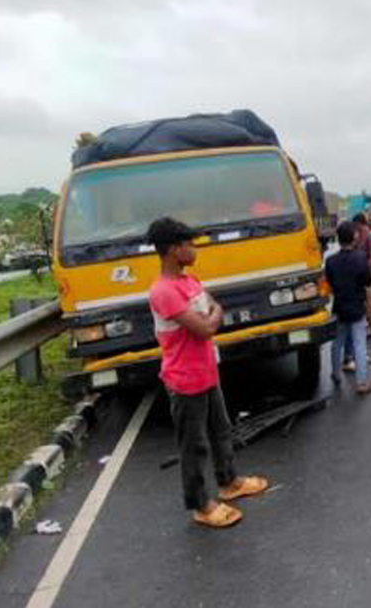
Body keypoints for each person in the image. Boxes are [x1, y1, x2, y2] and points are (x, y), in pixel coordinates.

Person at [146, 217, 268, 528]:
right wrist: (211, 317)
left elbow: (216, 309)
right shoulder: (164, 291)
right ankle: (200, 504)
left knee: (220, 430)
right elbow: (205, 327)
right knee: (194, 445)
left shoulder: (190, 281)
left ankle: (229, 482)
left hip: (207, 372)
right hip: (185, 380)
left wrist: (211, 316)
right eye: (189, 244)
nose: (194, 249)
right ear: (174, 250)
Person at [327, 221, 371, 394]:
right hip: (356, 306)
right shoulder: (360, 258)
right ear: (354, 237)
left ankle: (335, 374)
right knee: (359, 344)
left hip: (339, 306)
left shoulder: (330, 261)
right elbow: (367, 281)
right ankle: (362, 383)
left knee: (337, 343)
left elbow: (330, 283)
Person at [352, 213, 371, 339]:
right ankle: (363, 323)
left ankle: (370, 326)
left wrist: (363, 267)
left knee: (368, 299)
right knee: (360, 299)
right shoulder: (357, 235)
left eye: (356, 225)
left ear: (360, 223)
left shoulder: (370, 236)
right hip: (358, 271)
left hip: (367, 271)